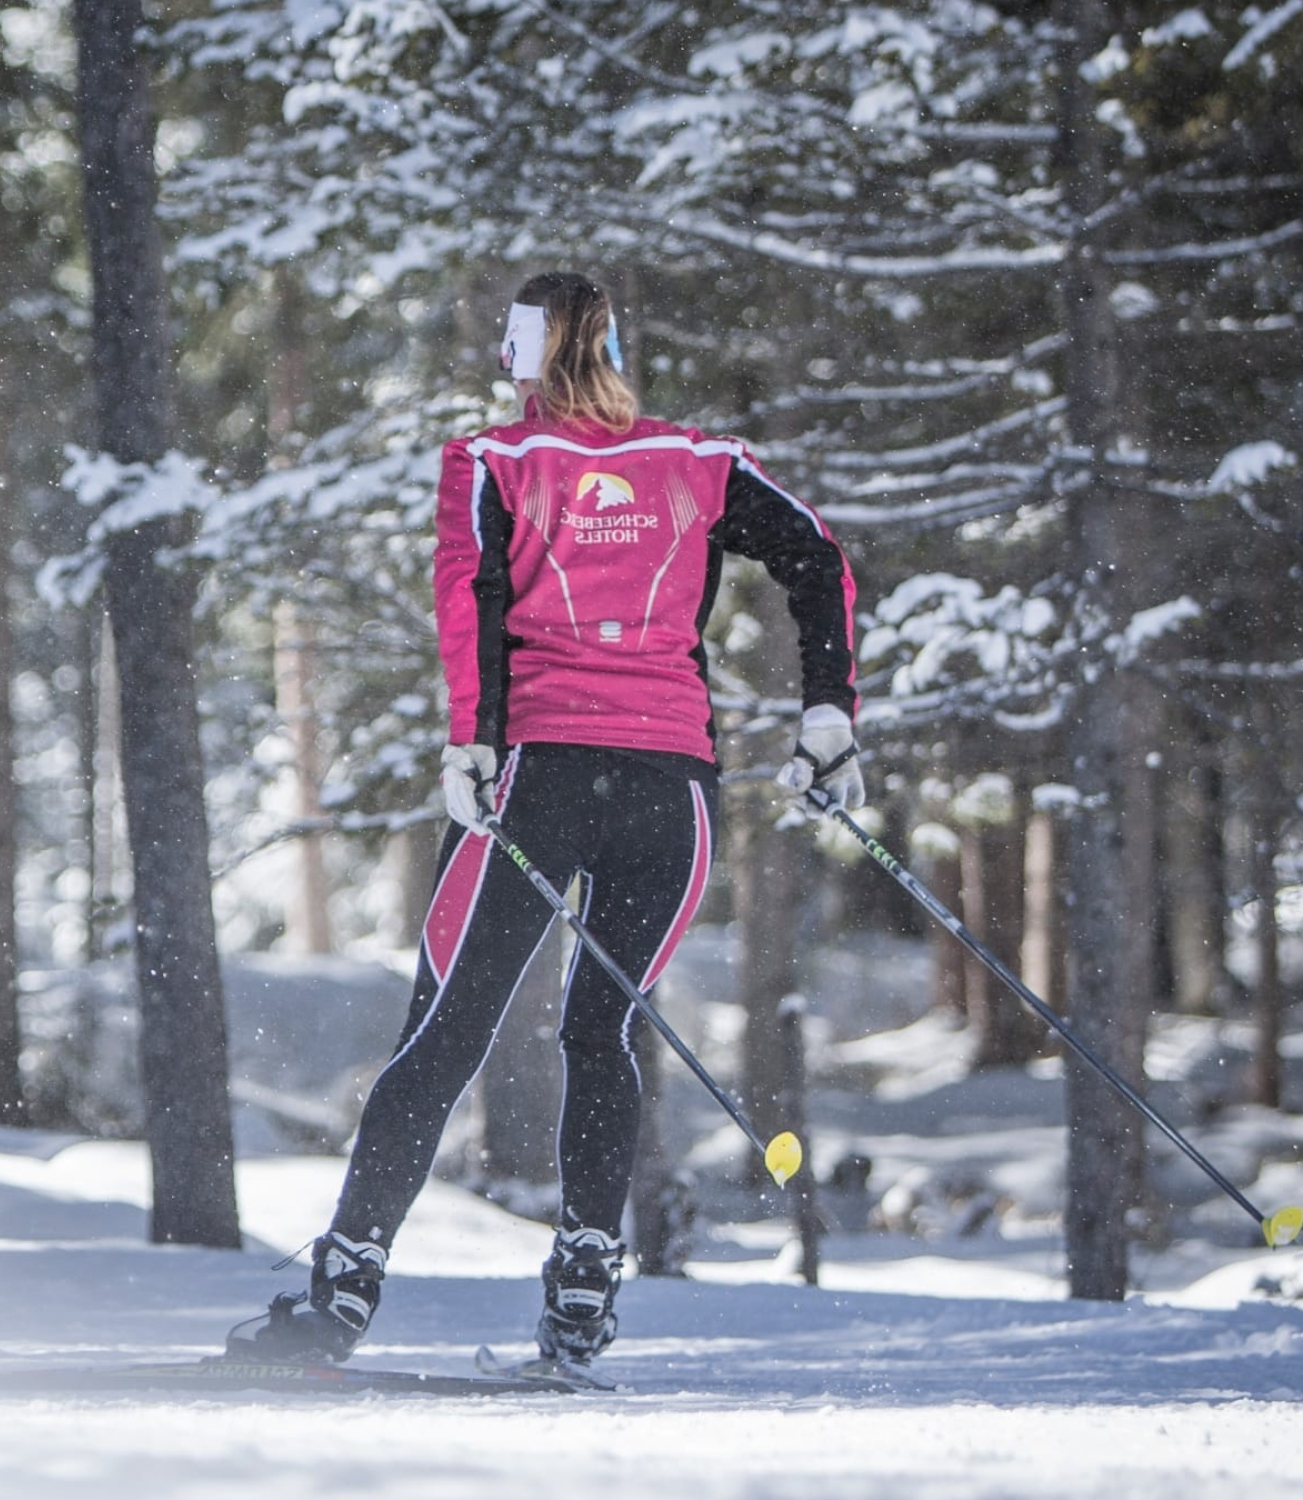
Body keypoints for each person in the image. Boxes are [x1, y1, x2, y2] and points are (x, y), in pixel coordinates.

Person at [229, 270, 864, 1372]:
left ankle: (337, 1300)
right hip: (671, 788)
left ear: (529, 347)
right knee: (600, 1031)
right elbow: (817, 558)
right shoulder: (700, 462)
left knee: (445, 1033)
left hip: (538, 778)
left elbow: (465, 594)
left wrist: (469, 747)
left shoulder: (492, 463)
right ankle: (580, 1298)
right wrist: (827, 720)